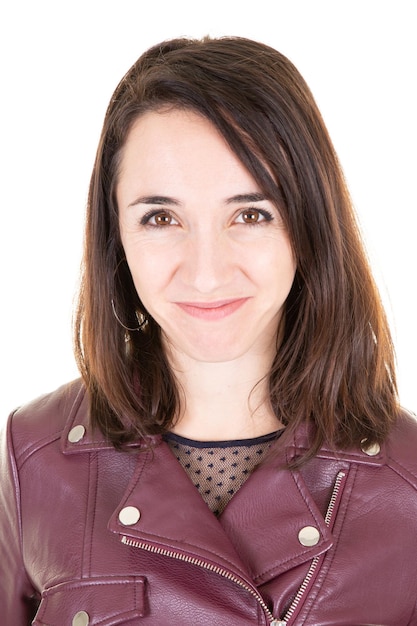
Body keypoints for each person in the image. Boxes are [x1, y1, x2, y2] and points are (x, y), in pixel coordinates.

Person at [0, 36, 416, 626]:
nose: (206, 271)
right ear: (114, 235)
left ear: (309, 226)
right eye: (161, 218)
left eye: (251, 214)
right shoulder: (34, 454)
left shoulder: (410, 482)